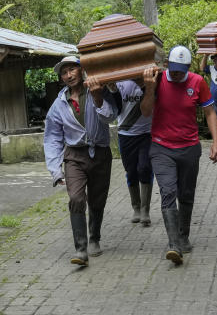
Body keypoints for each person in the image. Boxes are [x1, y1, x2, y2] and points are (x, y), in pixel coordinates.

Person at [141, 46, 217, 266]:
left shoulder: (197, 82)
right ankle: (174, 244)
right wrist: (149, 89)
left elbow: (210, 112)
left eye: (180, 70)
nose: (175, 74)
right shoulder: (156, 80)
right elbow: (146, 111)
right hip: (160, 147)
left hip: (189, 147)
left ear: (187, 68)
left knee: (186, 194)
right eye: (172, 69)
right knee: (168, 191)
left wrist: (216, 142)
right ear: (166, 64)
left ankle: (183, 236)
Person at [43, 55, 117, 267]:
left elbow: (110, 117)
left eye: (71, 70)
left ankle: (95, 237)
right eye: (64, 73)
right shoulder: (58, 104)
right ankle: (81, 248)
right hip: (74, 157)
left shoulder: (98, 89)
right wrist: (55, 170)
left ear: (81, 69)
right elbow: (52, 138)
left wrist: (98, 98)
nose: (68, 75)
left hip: (100, 153)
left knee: (97, 199)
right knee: (76, 198)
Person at [113, 78, 153, 226]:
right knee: (131, 172)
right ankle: (136, 207)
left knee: (145, 168)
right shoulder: (119, 80)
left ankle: (145, 210)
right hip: (126, 133)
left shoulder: (151, 77)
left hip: (147, 133)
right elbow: (115, 106)